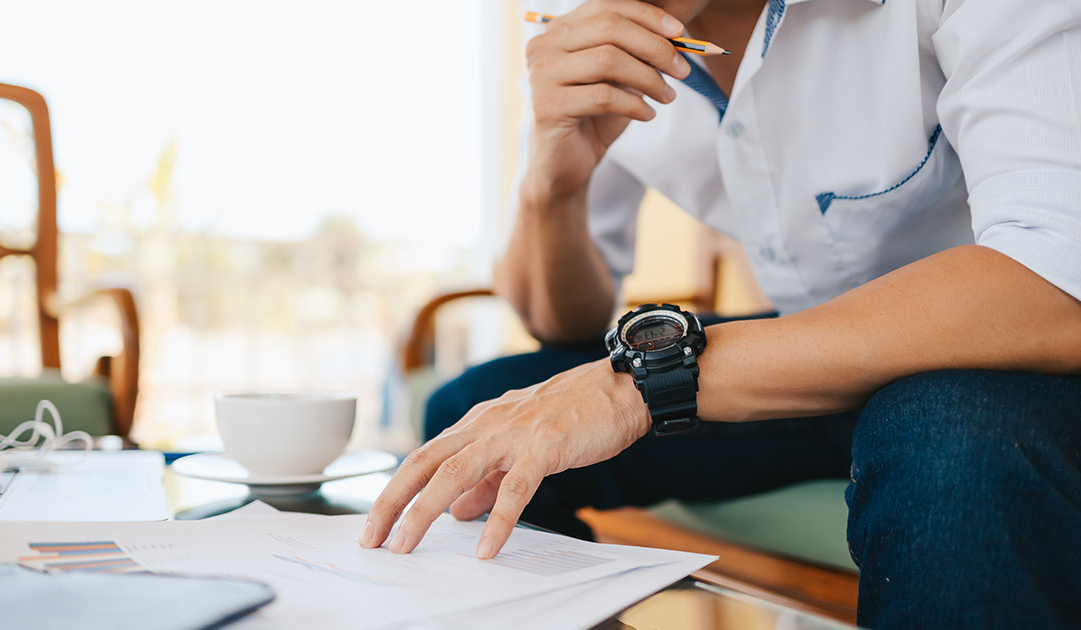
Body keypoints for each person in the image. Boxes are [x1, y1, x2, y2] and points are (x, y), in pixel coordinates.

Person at [360, 0, 1081, 626]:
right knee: (475, 409)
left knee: (943, 430)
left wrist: (641, 384)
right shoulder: (595, 36)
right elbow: (563, 323)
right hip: (818, 365)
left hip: (1012, 357)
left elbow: (1055, 284)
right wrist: (552, 181)